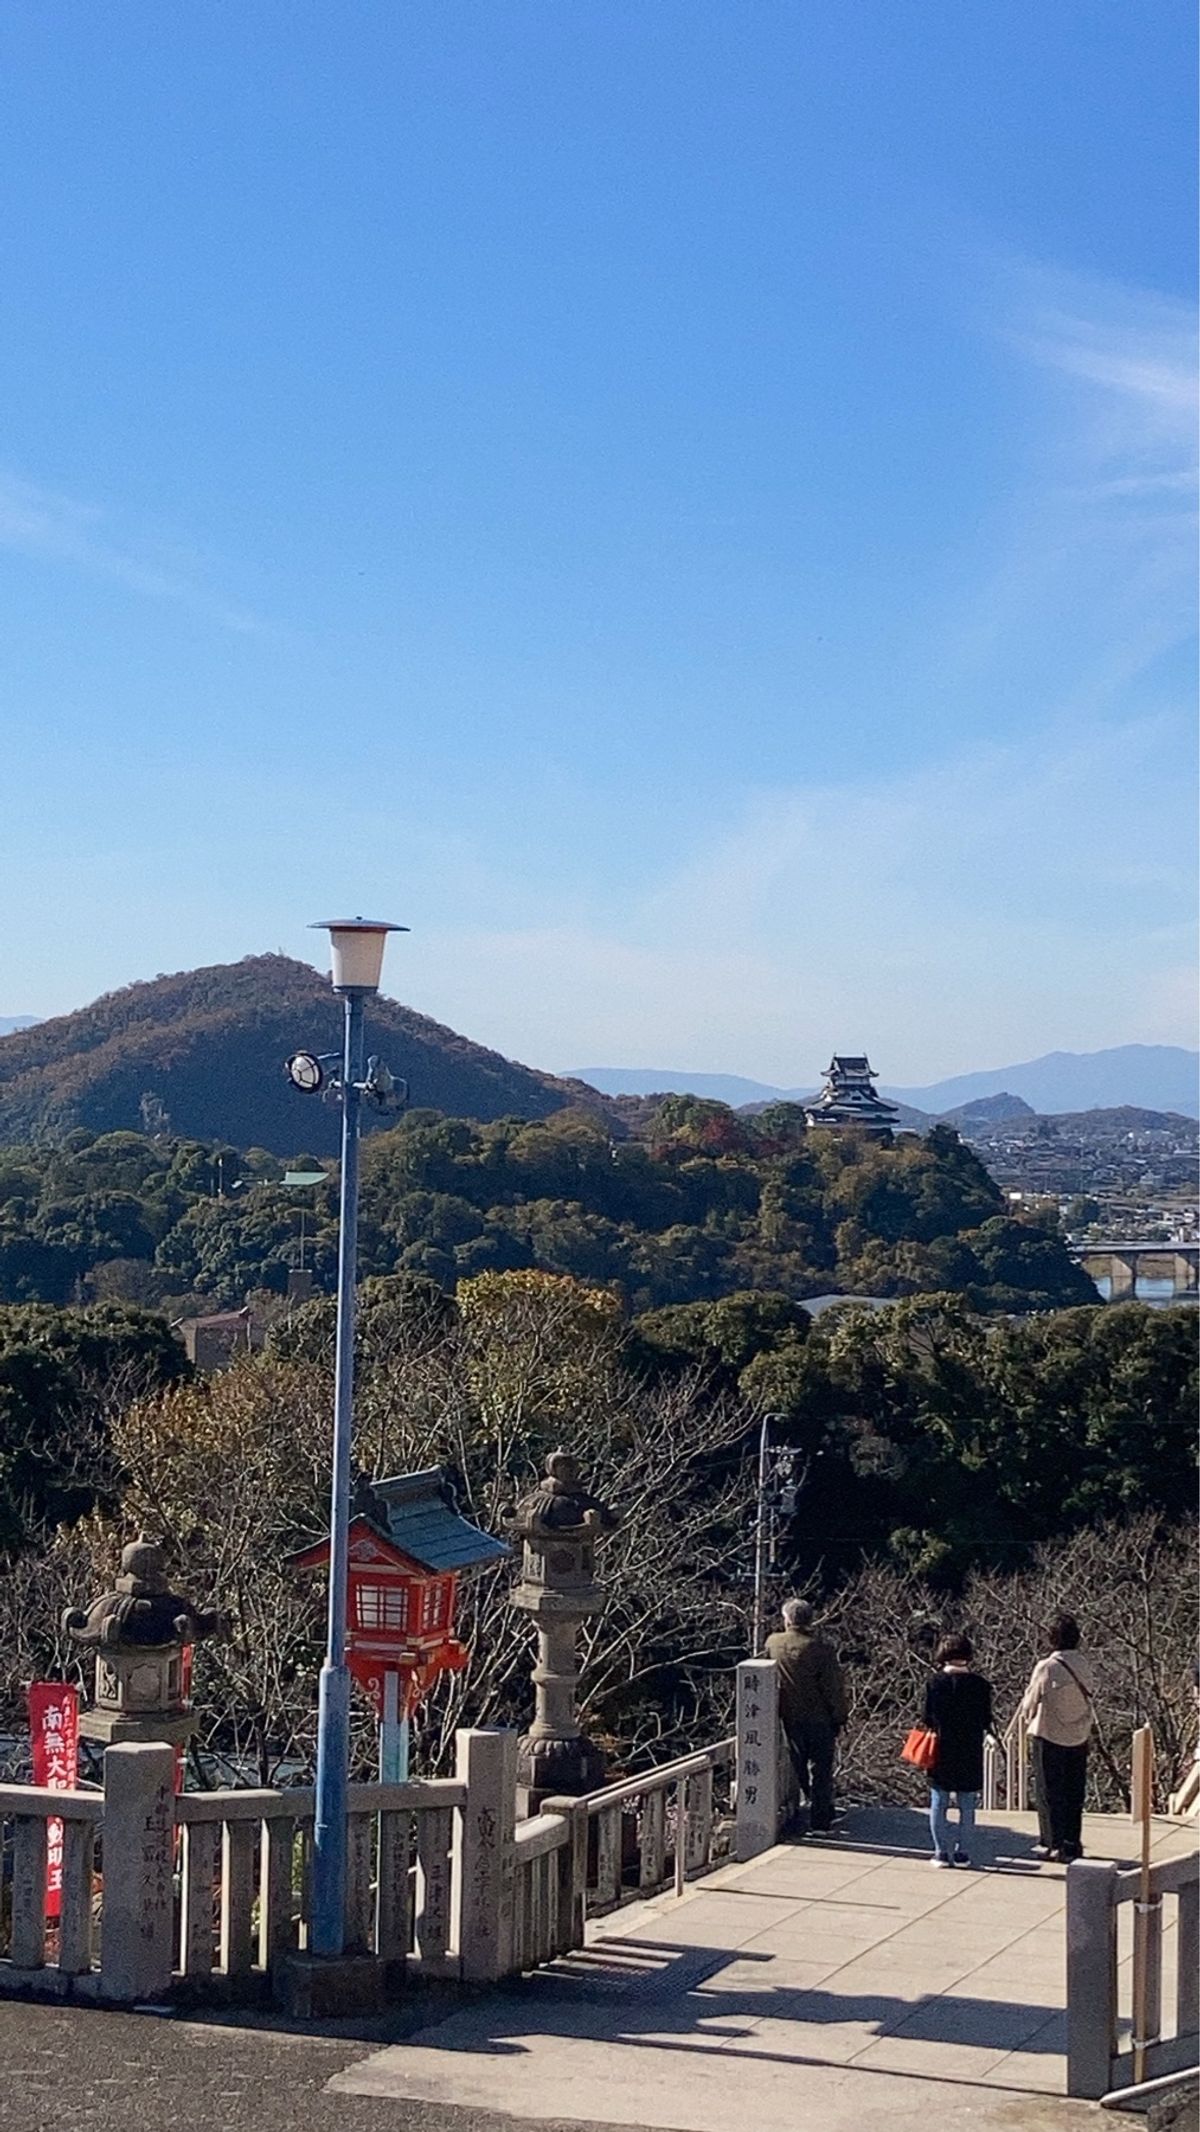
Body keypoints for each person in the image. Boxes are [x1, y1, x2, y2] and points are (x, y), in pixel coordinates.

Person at [765, 1597, 848, 1833]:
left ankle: (811, 1803)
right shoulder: (822, 1649)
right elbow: (833, 1687)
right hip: (821, 1718)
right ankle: (821, 1818)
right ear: (810, 1620)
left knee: (796, 1763)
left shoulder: (773, 1643)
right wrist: (840, 1715)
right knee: (821, 1769)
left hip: (789, 1717)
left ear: (787, 1619)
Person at [1021, 1612, 1093, 1862]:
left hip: (1049, 1735)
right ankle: (1073, 1843)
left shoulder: (1047, 1667)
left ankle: (1053, 1843)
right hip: (1079, 1735)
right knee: (1074, 1792)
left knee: (1048, 1791)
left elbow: (1029, 1705)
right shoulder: (1083, 1664)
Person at [923, 1633, 994, 1868]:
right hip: (970, 1750)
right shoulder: (981, 1685)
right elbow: (986, 1719)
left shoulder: (935, 1683)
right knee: (967, 1805)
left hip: (942, 1748)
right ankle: (963, 1853)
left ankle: (941, 1852)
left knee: (939, 1802)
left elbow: (927, 1718)